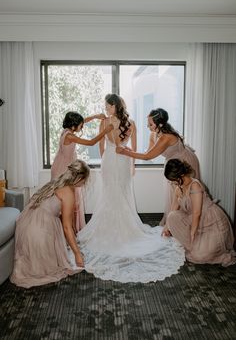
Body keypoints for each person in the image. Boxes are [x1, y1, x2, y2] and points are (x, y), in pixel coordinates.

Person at [78, 94, 185, 283]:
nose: (105, 109)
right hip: (125, 159)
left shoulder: (105, 122)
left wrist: (106, 160)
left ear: (114, 106)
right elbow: (135, 147)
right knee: (122, 194)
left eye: (107, 106)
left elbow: (102, 146)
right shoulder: (131, 123)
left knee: (111, 194)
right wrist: (132, 164)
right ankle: (125, 229)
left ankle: (112, 229)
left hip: (111, 160)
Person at [10, 160, 90, 288]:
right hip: (38, 230)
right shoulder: (68, 192)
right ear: (79, 178)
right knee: (52, 266)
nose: (84, 183)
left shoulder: (55, 183)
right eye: (84, 180)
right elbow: (66, 227)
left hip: (26, 224)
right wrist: (77, 254)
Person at [116, 108, 200, 225]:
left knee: (184, 192)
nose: (147, 126)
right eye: (147, 123)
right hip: (173, 163)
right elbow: (149, 152)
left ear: (160, 124)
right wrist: (129, 149)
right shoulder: (154, 135)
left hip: (184, 162)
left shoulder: (166, 137)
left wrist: (125, 152)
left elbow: (147, 156)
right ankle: (173, 222)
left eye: (150, 124)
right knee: (174, 193)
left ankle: (186, 222)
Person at [162, 159, 236, 266]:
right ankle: (194, 245)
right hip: (194, 220)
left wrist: (192, 235)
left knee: (197, 256)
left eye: (173, 180)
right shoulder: (178, 187)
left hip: (211, 223)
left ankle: (200, 247)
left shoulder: (194, 185)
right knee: (172, 216)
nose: (172, 183)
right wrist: (166, 227)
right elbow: (173, 208)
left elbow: (197, 214)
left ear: (182, 175)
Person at [51, 111, 113, 232]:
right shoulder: (69, 136)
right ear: (74, 124)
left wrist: (95, 116)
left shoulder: (67, 131)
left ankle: (70, 230)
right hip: (63, 169)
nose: (82, 126)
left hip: (62, 165)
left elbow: (83, 120)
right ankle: (68, 231)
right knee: (67, 202)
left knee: (69, 201)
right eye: (81, 124)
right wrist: (105, 131)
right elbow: (91, 143)